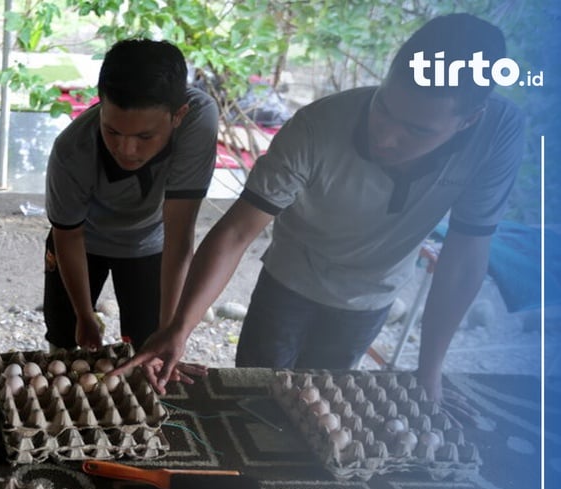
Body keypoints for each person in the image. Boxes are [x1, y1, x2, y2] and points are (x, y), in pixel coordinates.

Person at [117, 13, 525, 416]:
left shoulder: (499, 134)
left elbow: (466, 252)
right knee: (256, 400)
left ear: (469, 120)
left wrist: (429, 371)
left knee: (321, 407)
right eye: (383, 109)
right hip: (290, 278)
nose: (386, 137)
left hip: (371, 294)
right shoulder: (317, 128)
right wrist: (179, 328)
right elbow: (237, 231)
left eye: (416, 131)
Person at [44, 38, 219, 366]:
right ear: (101, 104)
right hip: (84, 243)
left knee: (148, 336)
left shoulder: (199, 120)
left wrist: (169, 330)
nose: (126, 150)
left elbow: (179, 232)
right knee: (64, 333)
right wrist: (84, 314)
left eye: (144, 137)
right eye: (113, 132)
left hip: (149, 242)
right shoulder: (72, 151)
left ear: (178, 115)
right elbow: (67, 236)